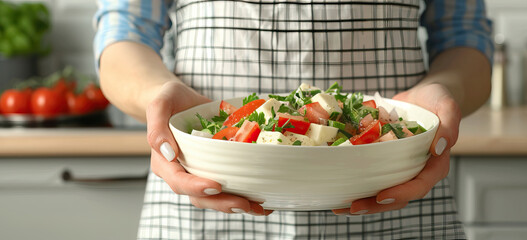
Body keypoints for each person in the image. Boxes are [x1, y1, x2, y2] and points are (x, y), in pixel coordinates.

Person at [94, 0, 492, 239]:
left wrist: (445, 93)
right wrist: (157, 96)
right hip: (203, 193)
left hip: (397, 188)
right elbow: (122, 34)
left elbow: (465, 38)